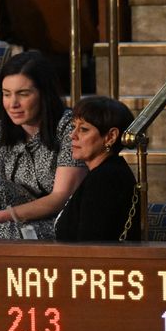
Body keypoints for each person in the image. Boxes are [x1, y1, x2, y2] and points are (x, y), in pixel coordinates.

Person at [0, 51, 86, 239]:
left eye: (23, 94)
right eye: (6, 94)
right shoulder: (2, 129)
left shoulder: (68, 127)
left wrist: (1, 217)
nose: (13, 104)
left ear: (43, 94)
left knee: (6, 230)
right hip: (10, 222)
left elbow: (61, 198)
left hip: (60, 220)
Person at [54, 96, 141, 242]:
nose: (72, 135)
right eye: (73, 126)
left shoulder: (106, 179)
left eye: (83, 129)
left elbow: (91, 246)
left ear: (110, 137)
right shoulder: (106, 172)